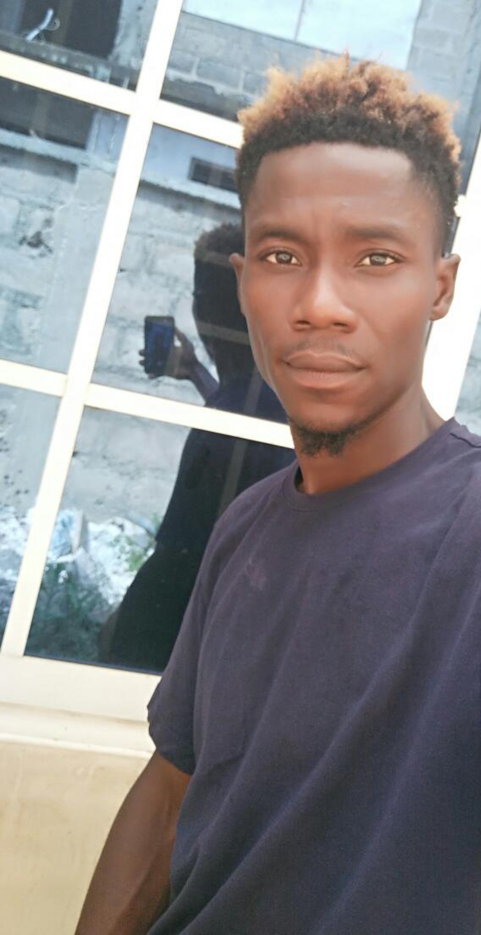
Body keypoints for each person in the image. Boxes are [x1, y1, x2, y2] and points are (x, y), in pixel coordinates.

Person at [75, 57, 481, 935]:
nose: (320, 303)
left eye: (376, 258)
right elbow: (169, 795)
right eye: (282, 256)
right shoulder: (246, 529)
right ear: (245, 281)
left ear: (439, 288)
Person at [101, 222, 292, 672]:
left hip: (181, 598)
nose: (201, 310)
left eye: (207, 297)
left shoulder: (258, 402)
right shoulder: (256, 394)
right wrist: (194, 373)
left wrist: (131, 617)